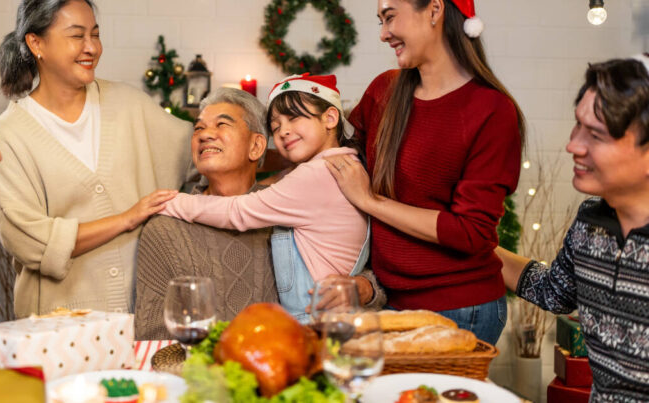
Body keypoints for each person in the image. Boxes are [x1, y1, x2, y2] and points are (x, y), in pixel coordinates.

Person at [324, 0, 524, 344]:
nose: (384, 34)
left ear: (434, 10)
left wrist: (371, 201)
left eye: (390, 18)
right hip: (392, 300)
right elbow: (336, 161)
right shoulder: (383, 92)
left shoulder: (492, 110)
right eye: (380, 22)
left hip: (461, 309)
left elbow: (471, 232)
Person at [0, 0, 194, 317]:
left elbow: (201, 154)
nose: (91, 48)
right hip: (58, 328)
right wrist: (127, 218)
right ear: (36, 43)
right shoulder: (9, 135)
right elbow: (31, 240)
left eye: (95, 35)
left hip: (142, 319)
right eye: (76, 36)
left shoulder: (128, 104)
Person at [134, 88, 386, 338]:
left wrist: (364, 288)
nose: (205, 134)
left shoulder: (290, 206)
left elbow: (356, 263)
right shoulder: (166, 229)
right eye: (198, 128)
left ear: (256, 146)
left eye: (222, 124)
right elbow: (154, 335)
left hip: (304, 354)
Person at [497, 56, 649, 400]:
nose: (573, 145)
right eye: (577, 125)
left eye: (595, 134)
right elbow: (554, 291)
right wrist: (471, 242)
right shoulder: (590, 220)